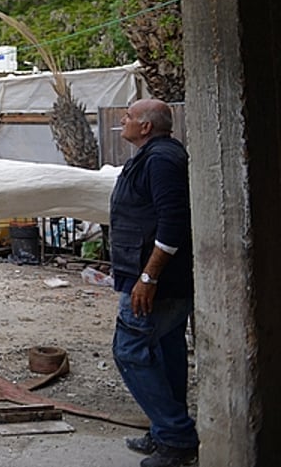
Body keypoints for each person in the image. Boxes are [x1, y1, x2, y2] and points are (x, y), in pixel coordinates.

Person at [110, 99, 198, 467]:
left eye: (129, 116)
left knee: (129, 349)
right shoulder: (154, 156)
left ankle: (176, 437)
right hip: (162, 281)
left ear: (146, 126)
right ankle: (165, 433)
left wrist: (149, 276)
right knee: (166, 353)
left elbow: (172, 221)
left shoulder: (161, 160)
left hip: (156, 283)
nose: (123, 120)